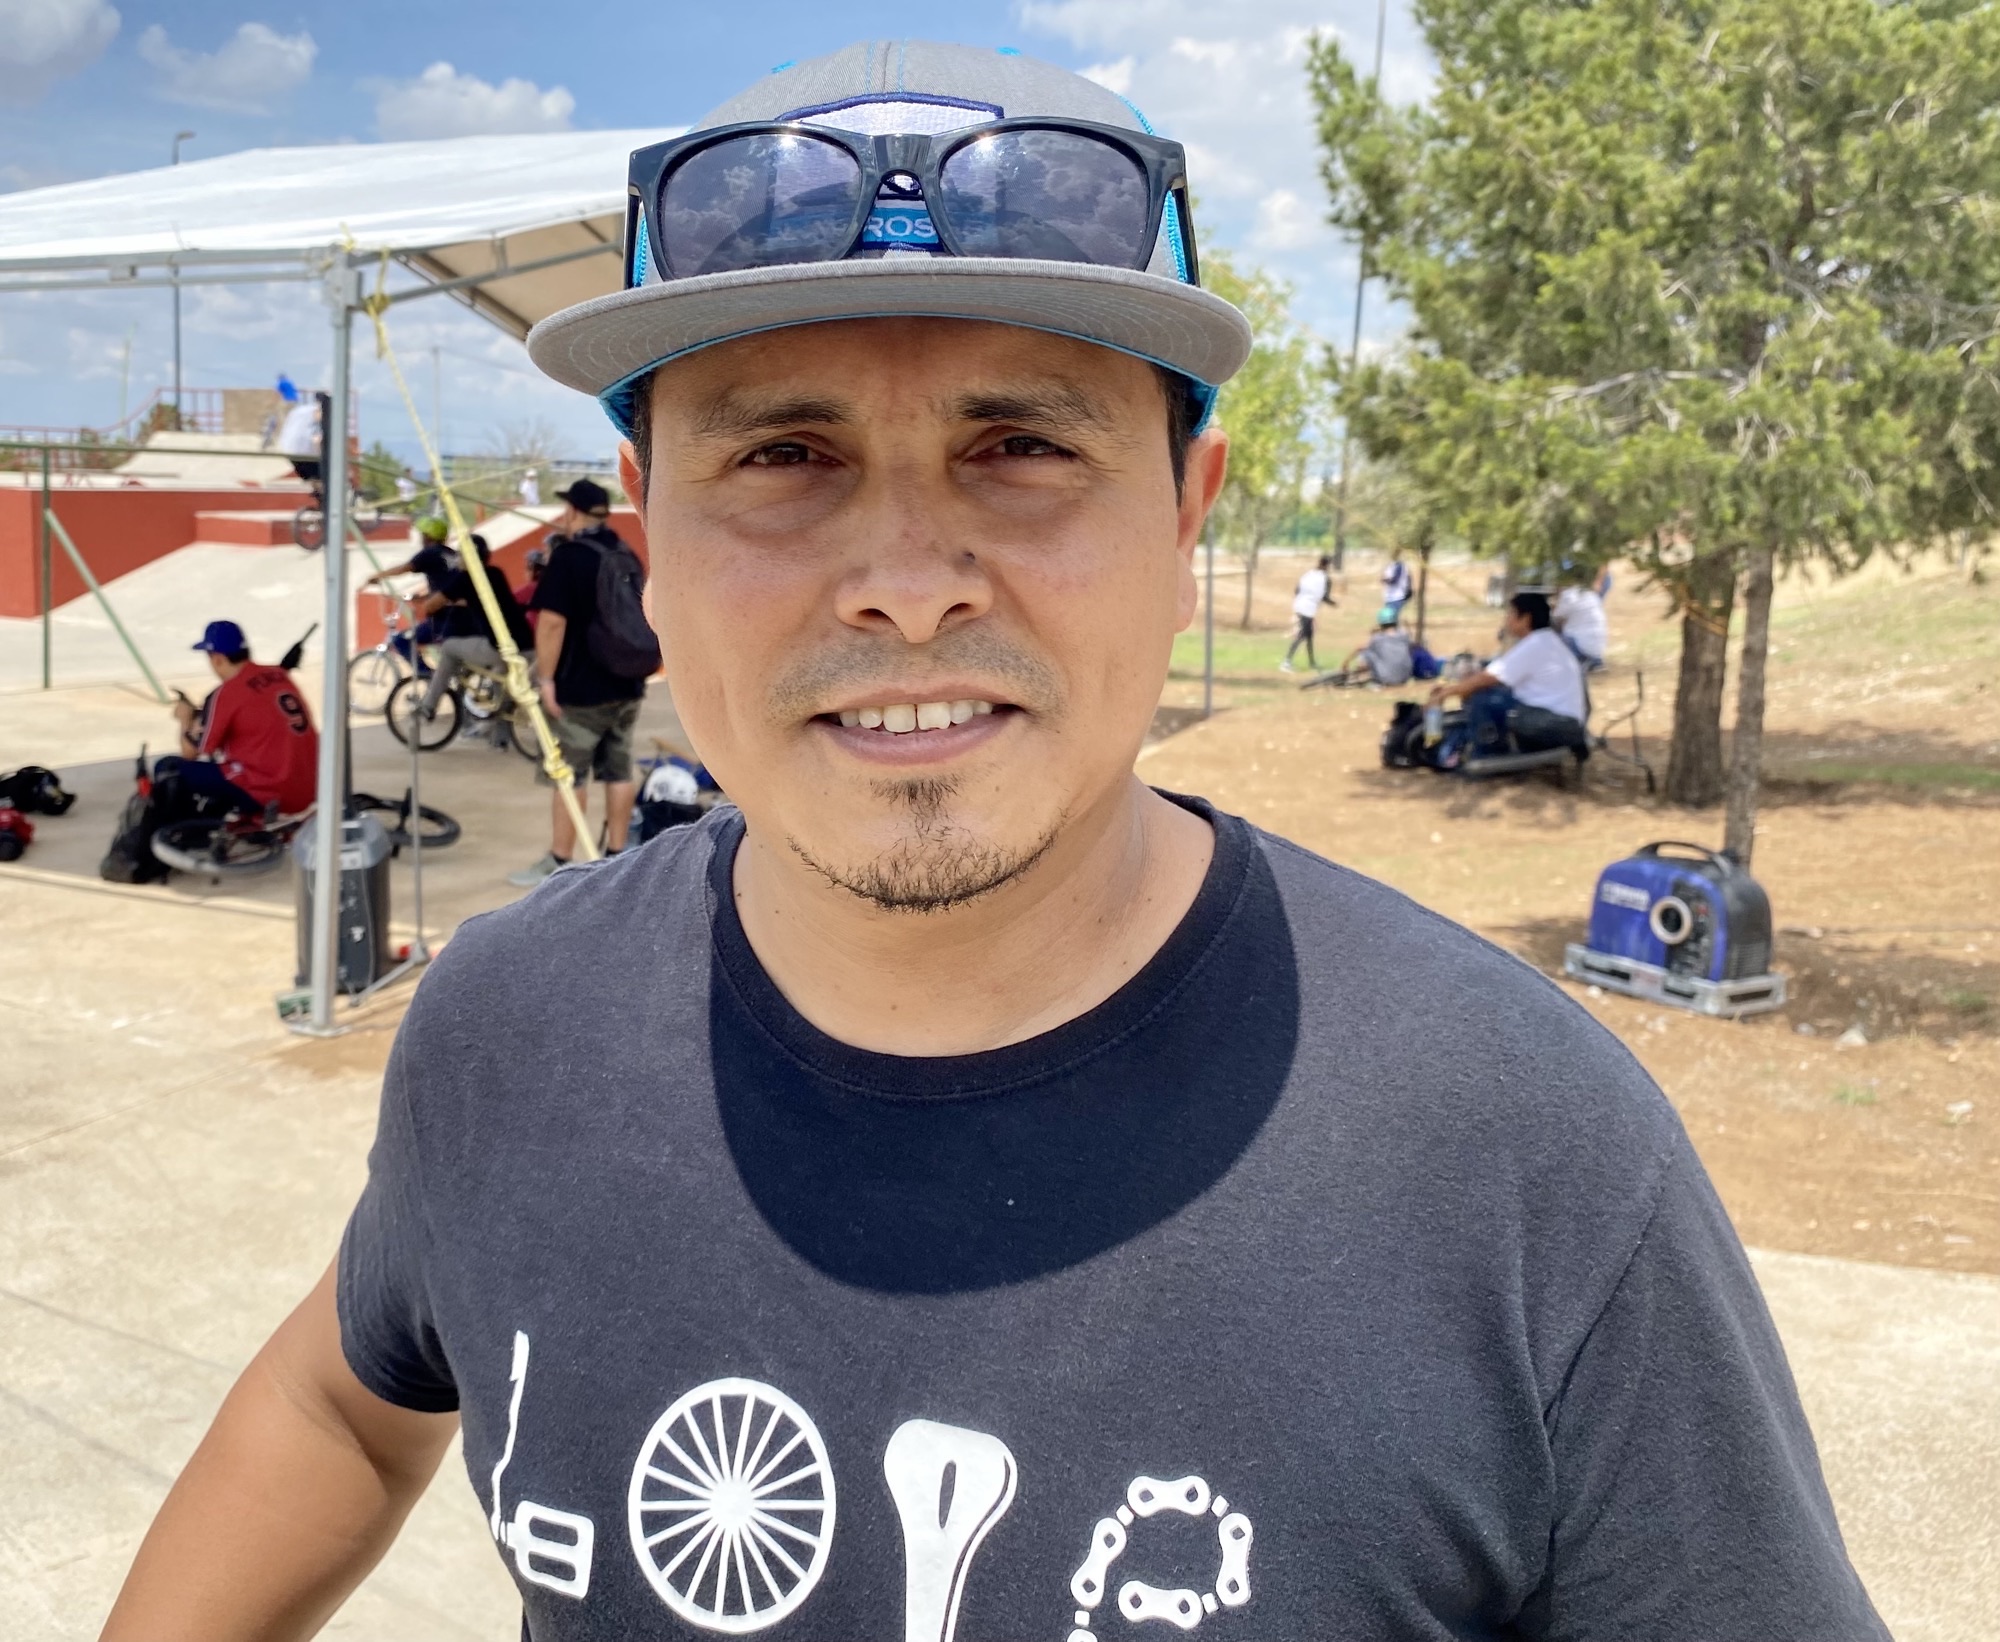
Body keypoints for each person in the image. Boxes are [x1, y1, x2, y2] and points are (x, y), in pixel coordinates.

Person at [103, 43, 1884, 1642]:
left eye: (1022, 442)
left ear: (1185, 513)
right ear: (649, 532)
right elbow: (344, 1401)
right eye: (784, 453)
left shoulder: (1519, 1157)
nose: (904, 580)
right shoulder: (507, 1023)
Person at [508, 477, 646, 883]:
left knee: (569, 774)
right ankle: (619, 854)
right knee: (619, 771)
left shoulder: (569, 557)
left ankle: (561, 860)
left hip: (581, 690)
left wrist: (546, 680)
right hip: (627, 682)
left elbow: (551, 623)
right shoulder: (623, 551)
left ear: (572, 512)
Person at [156, 620, 318, 819]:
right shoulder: (279, 674)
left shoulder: (226, 693)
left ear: (217, 659)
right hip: (310, 788)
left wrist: (185, 719)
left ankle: (188, 832)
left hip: (270, 792)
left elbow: (190, 752)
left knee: (168, 769)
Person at [1428, 590, 1587, 765]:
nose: (1507, 619)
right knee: (1493, 695)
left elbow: (1486, 678)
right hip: (1566, 722)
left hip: (1555, 724)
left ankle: (1487, 756)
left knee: (1482, 699)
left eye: (1511, 614)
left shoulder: (1534, 645)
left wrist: (1445, 693)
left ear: (1525, 619)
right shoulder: (1549, 641)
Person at [417, 534, 535, 719]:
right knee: (501, 679)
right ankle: (499, 727)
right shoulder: (496, 573)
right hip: (526, 644)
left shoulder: (465, 578)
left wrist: (431, 605)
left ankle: (428, 706)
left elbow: (430, 606)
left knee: (449, 648)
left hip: (500, 649)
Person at [361, 516, 456, 673]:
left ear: (429, 536)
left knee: (401, 640)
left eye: (423, 534)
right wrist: (424, 597)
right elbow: (447, 586)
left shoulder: (430, 553)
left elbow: (405, 568)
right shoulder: (452, 554)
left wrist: (377, 576)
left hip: (444, 619)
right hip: (461, 615)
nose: (420, 537)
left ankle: (428, 676)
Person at [1278, 553, 1334, 673]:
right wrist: (1334, 604)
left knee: (1309, 635)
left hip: (1299, 605)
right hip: (1308, 609)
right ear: (1328, 565)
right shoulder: (1325, 579)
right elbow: (1325, 597)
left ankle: (1312, 662)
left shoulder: (1308, 574)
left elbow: (1296, 590)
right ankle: (1286, 662)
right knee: (1302, 634)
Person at [1336, 605, 1415, 686]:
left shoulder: (1377, 639)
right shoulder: (1404, 636)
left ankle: (1360, 673)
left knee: (1367, 652)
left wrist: (1345, 663)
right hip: (1405, 678)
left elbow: (1359, 648)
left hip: (1386, 679)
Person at [273, 389, 321, 497]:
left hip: (289, 450)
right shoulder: (317, 410)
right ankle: (324, 497)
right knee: (321, 475)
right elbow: (317, 438)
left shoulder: (299, 410)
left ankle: (319, 495)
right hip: (305, 451)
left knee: (311, 477)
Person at [1553, 577, 1609, 669]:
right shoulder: (1590, 594)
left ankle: (1577, 659)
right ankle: (1595, 660)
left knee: (1554, 635)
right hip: (1598, 645)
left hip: (1581, 643)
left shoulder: (1568, 596)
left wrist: (1556, 600)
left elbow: (1557, 617)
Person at [514, 544, 549, 638]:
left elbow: (508, 600)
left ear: (537, 571)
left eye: (528, 568)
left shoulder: (533, 587)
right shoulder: (551, 582)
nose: (526, 572)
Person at [1380, 543, 1413, 620]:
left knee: (1391, 619)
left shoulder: (1400, 566)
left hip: (1397, 596)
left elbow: (1395, 580)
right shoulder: (1390, 565)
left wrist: (1385, 580)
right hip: (1389, 596)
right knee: (1389, 619)